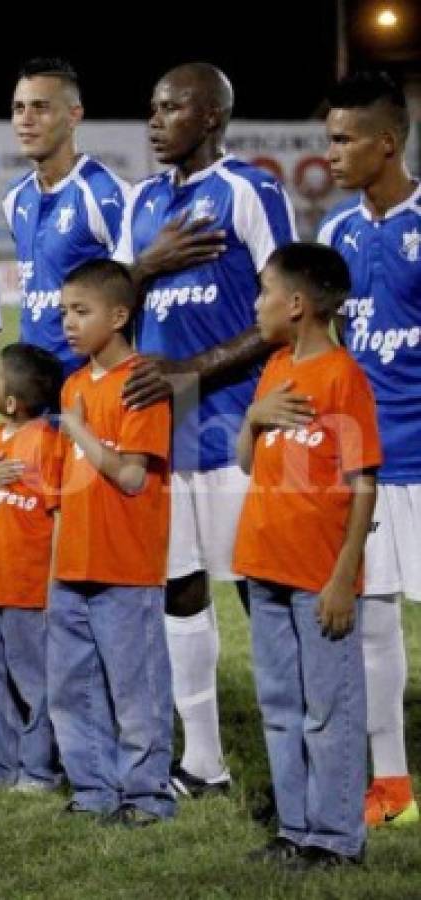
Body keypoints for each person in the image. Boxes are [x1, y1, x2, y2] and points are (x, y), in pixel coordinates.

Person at [114, 63, 296, 797]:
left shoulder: (249, 189)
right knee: (177, 589)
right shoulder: (141, 202)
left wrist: (193, 369)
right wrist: (143, 265)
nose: (155, 120)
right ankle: (203, 761)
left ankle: (303, 757)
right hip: (166, 438)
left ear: (212, 116)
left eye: (171, 107)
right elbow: (111, 298)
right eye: (151, 107)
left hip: (236, 432)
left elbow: (287, 303)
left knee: (267, 594)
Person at [234, 243, 378, 869]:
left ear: (296, 304)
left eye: (265, 290)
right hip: (262, 566)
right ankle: (295, 829)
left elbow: (363, 483)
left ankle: (336, 838)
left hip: (319, 576)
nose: (257, 302)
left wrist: (344, 576)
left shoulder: (343, 376)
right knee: (280, 707)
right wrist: (253, 417)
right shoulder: (273, 370)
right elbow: (247, 460)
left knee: (329, 709)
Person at [319, 69, 420, 829]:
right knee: (374, 623)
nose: (330, 152)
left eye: (344, 139)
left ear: (386, 143)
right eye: (328, 137)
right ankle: (390, 783)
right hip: (377, 466)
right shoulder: (336, 235)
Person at [48, 259, 175, 826]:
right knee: (72, 687)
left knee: (135, 688)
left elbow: (130, 476)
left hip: (126, 565)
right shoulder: (74, 382)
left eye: (82, 311)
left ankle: (146, 797)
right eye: (64, 313)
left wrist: (77, 430)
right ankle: (94, 789)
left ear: (119, 316)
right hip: (72, 563)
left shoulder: (143, 383)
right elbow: (62, 485)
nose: (69, 324)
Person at [0, 343, 63, 792]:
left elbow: (58, 517)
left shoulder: (47, 443)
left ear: (13, 401)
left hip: (27, 590)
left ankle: (38, 769)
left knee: (34, 683)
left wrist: (56, 585)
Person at [3, 57, 129, 375]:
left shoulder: (104, 194)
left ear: (74, 116)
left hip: (89, 387)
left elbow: (134, 289)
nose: (26, 120)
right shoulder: (15, 198)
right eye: (19, 108)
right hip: (35, 391)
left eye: (40, 108)